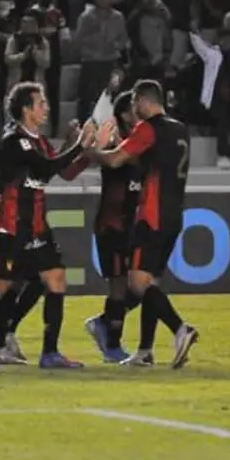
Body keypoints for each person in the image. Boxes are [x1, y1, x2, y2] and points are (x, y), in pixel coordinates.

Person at [0, 82, 94, 369]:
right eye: (41, 103)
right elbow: (47, 167)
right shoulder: (14, 140)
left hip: (37, 225)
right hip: (12, 225)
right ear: (26, 109)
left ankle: (49, 353)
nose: (46, 108)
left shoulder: (39, 141)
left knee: (55, 279)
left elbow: (63, 171)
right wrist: (79, 145)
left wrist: (87, 151)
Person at [84, 79, 199, 369]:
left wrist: (91, 151)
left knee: (137, 283)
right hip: (174, 214)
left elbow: (115, 160)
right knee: (152, 283)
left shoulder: (149, 129)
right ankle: (145, 350)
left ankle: (180, 329)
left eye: (136, 101)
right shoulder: (180, 129)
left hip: (151, 215)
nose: (134, 108)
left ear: (145, 101)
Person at [84, 90, 144, 363]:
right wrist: (94, 146)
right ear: (124, 115)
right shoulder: (114, 145)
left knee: (141, 287)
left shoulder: (139, 142)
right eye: (134, 108)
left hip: (131, 224)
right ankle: (112, 346)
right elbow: (119, 159)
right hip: (112, 225)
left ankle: (103, 322)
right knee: (119, 286)